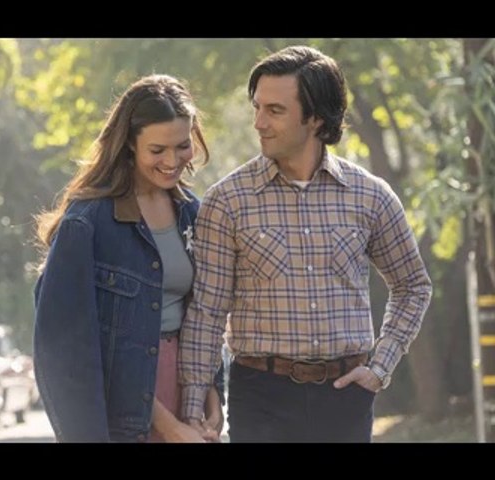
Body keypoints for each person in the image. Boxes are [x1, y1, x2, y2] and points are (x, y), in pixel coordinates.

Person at [178, 46, 433, 442]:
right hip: (260, 397)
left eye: (275, 110)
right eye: (257, 107)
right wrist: (193, 408)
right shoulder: (227, 201)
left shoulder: (370, 196)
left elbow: (413, 286)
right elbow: (207, 313)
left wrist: (379, 367)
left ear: (315, 118)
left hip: (345, 397)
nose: (259, 123)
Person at [33, 74, 223, 442]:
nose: (172, 161)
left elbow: (204, 317)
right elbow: (64, 352)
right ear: (130, 145)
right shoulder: (86, 224)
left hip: (187, 394)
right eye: (157, 150)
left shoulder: (194, 215)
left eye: (183, 146)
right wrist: (169, 426)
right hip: (124, 409)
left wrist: (212, 400)